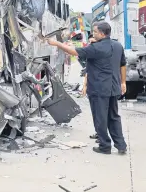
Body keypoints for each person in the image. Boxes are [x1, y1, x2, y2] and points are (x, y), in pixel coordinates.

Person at [45, 21, 127, 155]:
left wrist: (57, 44)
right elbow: (122, 64)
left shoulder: (96, 48)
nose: (93, 34)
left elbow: (73, 51)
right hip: (113, 88)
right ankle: (121, 145)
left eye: (94, 32)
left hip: (99, 89)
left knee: (100, 118)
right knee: (114, 116)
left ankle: (105, 146)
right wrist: (123, 82)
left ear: (101, 33)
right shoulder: (118, 46)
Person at [80, 35, 99, 143]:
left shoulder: (102, 54)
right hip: (93, 88)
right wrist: (85, 86)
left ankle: (102, 135)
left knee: (101, 113)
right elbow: (88, 71)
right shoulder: (91, 56)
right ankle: (99, 133)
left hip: (100, 88)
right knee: (96, 112)